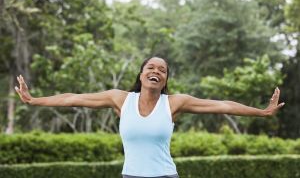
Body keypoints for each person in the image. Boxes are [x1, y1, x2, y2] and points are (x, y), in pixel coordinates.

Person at [15, 56, 285, 178]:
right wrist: (34, 99)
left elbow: (221, 105)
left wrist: (261, 112)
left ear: (165, 78)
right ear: (142, 74)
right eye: (151, 67)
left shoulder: (175, 103)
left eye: (163, 70)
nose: (156, 71)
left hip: (166, 175)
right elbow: (72, 98)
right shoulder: (120, 99)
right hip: (130, 175)